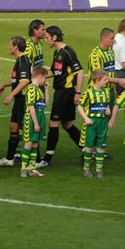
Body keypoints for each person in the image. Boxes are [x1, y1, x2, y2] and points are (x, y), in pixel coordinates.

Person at [38, 25, 84, 167]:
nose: (45, 40)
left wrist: (77, 92)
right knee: (67, 124)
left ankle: (47, 159)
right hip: (61, 92)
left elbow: (80, 72)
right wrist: (38, 78)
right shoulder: (57, 52)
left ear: (54, 37)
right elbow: (54, 71)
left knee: (53, 123)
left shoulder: (68, 52)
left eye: (47, 38)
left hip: (66, 92)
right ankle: (87, 150)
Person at [0, 37, 32, 167]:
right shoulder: (19, 61)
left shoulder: (23, 61)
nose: (9, 47)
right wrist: (5, 85)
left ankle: (35, 160)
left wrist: (11, 94)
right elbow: (17, 79)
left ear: (16, 47)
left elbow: (25, 81)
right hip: (19, 99)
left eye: (10, 45)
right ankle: (9, 159)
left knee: (26, 130)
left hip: (24, 99)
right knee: (14, 127)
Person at [78, 70, 115, 179]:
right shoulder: (88, 93)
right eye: (105, 80)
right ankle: (86, 169)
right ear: (98, 80)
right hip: (92, 123)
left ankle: (99, 170)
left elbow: (106, 104)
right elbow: (80, 106)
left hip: (103, 123)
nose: (106, 81)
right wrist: (86, 118)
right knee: (89, 147)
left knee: (101, 147)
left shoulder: (106, 92)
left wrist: (108, 110)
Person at [21, 67, 50, 177]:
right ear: (39, 76)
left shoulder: (39, 89)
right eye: (45, 78)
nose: (45, 81)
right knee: (29, 142)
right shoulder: (32, 88)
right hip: (32, 118)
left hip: (40, 116)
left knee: (35, 142)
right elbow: (31, 106)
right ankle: (24, 168)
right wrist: (36, 123)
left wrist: (47, 90)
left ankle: (32, 168)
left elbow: (46, 104)